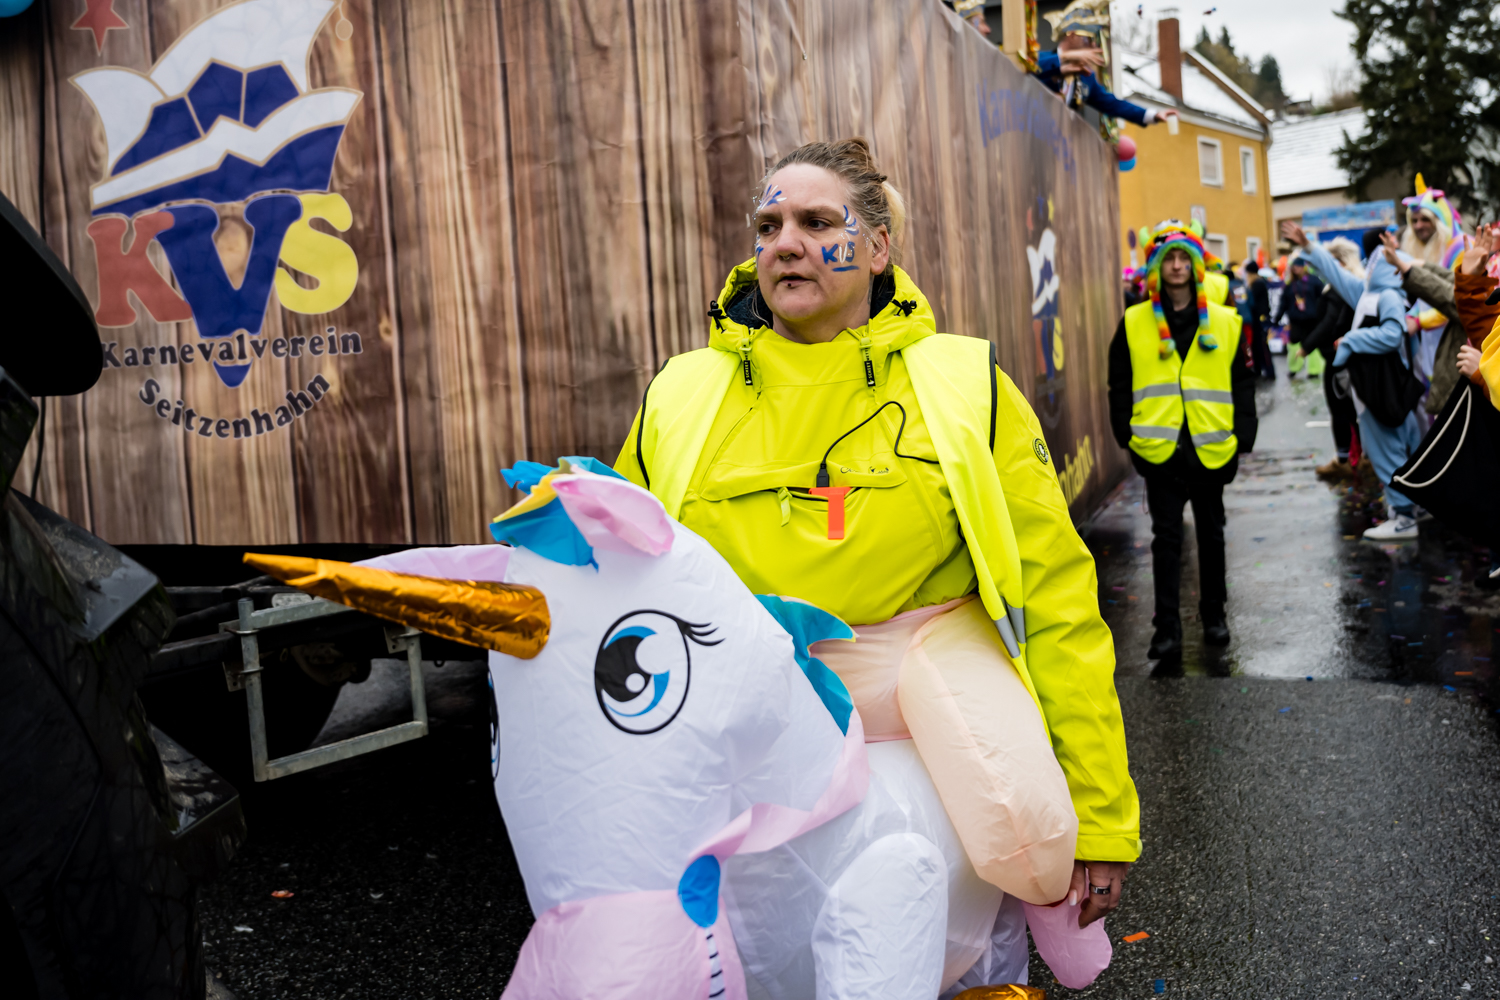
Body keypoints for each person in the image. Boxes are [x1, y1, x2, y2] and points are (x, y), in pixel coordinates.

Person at [615, 138, 1139, 990]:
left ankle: (1045, 906)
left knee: (966, 891)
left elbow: (1056, 602)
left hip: (930, 732)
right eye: (769, 224)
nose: (786, 242)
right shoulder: (679, 394)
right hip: (749, 763)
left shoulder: (964, 384)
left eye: (819, 221)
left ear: (878, 245)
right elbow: (625, 592)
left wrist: (1103, 818)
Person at [1107, 223, 1257, 659]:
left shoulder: (1226, 322)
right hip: (1161, 450)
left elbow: (1242, 380)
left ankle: (1214, 617)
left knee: (1212, 536)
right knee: (1166, 539)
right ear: (1157, 267)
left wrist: (1243, 434)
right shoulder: (1135, 321)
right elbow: (1120, 382)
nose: (1176, 266)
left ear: (1195, 267)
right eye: (1168, 259)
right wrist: (1126, 435)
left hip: (1211, 448)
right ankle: (1166, 629)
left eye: (1184, 260)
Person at [1282, 220, 1426, 540]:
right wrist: (1309, 246)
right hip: (1380, 386)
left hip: (1384, 387)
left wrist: (1350, 341)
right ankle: (1410, 509)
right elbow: (1337, 275)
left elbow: (1391, 335)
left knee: (1390, 449)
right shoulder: (1369, 293)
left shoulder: (1386, 295)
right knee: (1398, 448)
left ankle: (1404, 517)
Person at [1033, 0, 1179, 128]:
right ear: (1072, 35)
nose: (1093, 45)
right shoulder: (1041, 58)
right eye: (1089, 38)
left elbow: (1112, 104)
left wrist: (1153, 115)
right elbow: (1027, 67)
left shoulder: (1086, 77)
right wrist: (1064, 59)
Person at [1295, 238, 1363, 480]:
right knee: (1352, 410)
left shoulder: (1339, 288)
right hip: (1348, 356)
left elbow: (1329, 323)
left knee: (1341, 410)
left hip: (1340, 358)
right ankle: (1358, 456)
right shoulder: (1353, 283)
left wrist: (1306, 346)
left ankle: (1346, 459)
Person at [1273, 256, 1322, 378]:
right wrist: (1277, 318)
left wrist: (1322, 315)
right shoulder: (1289, 284)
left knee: (1312, 343)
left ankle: (1314, 370)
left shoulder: (1314, 281)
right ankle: (1294, 368)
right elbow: (1283, 303)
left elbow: (1322, 299)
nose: (1296, 269)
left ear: (1304, 267)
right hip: (1295, 320)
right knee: (1294, 343)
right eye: (1294, 267)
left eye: (1298, 266)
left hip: (1312, 319)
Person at [1243, 260, 1275, 378]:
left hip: (1259, 318)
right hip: (1258, 318)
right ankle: (1260, 369)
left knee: (1262, 346)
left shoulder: (1257, 284)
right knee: (1257, 345)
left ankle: (1268, 371)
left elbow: (1255, 303)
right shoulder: (1258, 283)